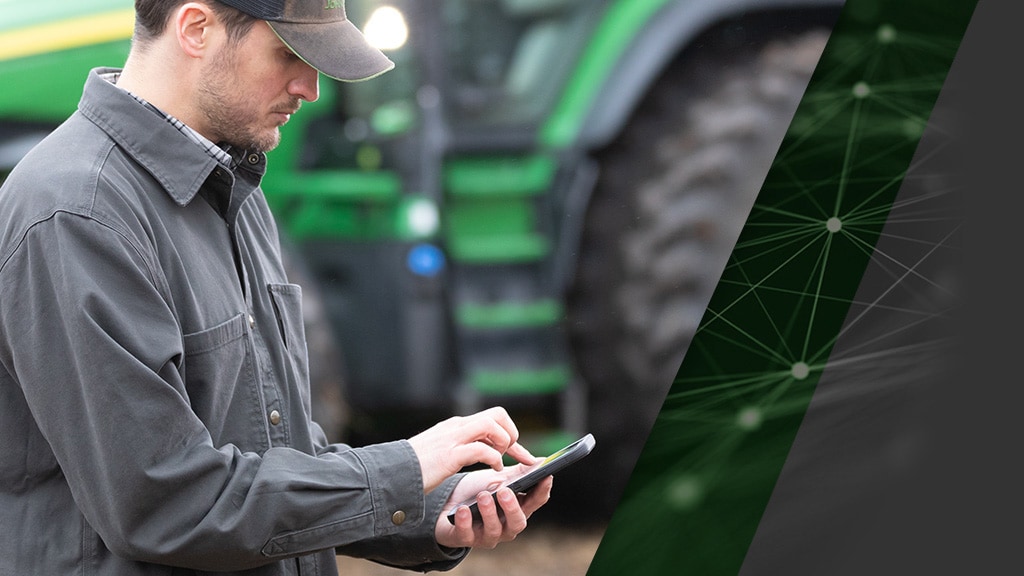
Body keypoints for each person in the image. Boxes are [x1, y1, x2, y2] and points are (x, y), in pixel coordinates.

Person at [0, 0, 553, 574]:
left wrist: (426, 506)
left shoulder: (238, 196)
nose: (310, 87)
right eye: (289, 53)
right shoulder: (76, 215)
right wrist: (405, 467)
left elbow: (275, 456)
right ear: (196, 28)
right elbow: (165, 502)